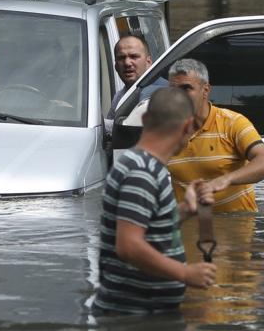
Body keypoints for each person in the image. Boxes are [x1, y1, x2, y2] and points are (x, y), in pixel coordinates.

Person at [92, 87, 217, 316]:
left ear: (146, 119)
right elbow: (129, 246)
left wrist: (187, 210)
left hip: (147, 312)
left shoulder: (145, 166)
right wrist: (185, 274)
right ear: (188, 127)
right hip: (133, 317)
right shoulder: (142, 171)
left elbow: (149, 231)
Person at [166, 58, 264, 213]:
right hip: (190, 229)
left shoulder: (233, 123)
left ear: (206, 90)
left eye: (186, 88)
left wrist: (225, 180)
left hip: (236, 229)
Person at [104, 34, 168, 133]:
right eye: (121, 58)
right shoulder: (120, 97)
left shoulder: (165, 91)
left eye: (134, 56)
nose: (127, 63)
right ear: (116, 66)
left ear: (148, 62)